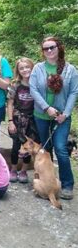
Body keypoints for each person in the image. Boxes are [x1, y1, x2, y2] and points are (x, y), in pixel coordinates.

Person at [30, 36, 78, 200]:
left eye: (52, 47)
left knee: (61, 149)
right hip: (41, 115)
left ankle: (67, 184)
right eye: (46, 49)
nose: (49, 51)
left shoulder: (70, 70)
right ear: (42, 52)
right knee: (46, 149)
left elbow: (73, 92)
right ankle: (46, 182)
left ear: (59, 48)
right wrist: (46, 108)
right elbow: (33, 90)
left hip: (62, 117)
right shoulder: (38, 68)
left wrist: (65, 113)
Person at [7, 57, 39, 183]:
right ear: (18, 71)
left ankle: (24, 170)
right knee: (16, 146)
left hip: (33, 119)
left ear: (32, 68)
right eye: (21, 68)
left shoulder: (37, 83)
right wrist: (10, 121)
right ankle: (14, 169)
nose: (25, 70)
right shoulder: (15, 85)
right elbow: (10, 103)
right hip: (18, 119)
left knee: (29, 146)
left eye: (27, 67)